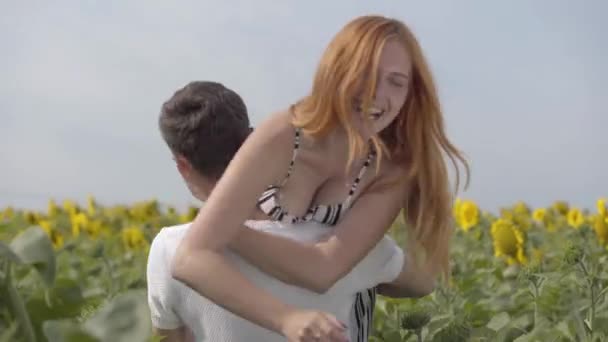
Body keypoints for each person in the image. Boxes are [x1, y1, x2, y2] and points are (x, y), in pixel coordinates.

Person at [171, 14, 470, 342]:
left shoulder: (394, 167)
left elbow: (323, 270)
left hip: (342, 321)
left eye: (395, 82)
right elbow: (189, 258)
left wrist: (224, 229)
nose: (376, 93)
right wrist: (285, 318)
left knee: (405, 271)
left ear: (411, 93)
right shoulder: (283, 134)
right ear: (336, 70)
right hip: (277, 313)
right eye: (364, 74)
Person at [148, 80, 437, 341]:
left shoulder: (168, 250)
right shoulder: (338, 245)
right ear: (253, 141)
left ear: (182, 165)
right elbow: (424, 282)